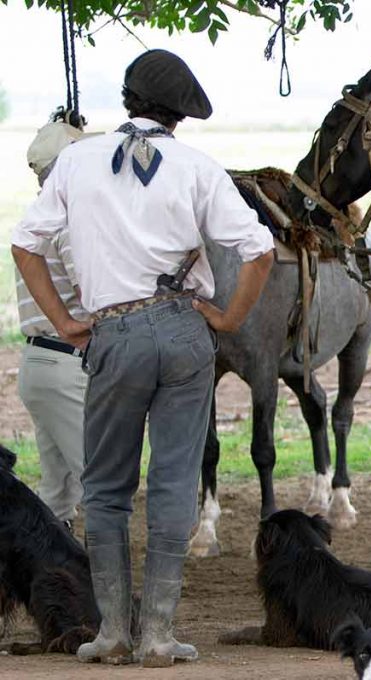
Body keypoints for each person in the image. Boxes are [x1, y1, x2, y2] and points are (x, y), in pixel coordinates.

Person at [11, 49, 275, 666]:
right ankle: (159, 633)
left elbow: (26, 245)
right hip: (185, 332)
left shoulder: (76, 161)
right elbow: (258, 251)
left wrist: (64, 322)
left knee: (104, 488)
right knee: (176, 480)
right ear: (181, 114)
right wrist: (228, 318)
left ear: (127, 100)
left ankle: (113, 634)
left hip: (115, 332)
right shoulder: (197, 167)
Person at [14, 115, 96, 530]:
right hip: (68, 365)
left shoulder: (36, 218)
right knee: (99, 483)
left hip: (38, 365)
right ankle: (106, 585)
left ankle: (48, 579)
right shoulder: (69, 220)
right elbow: (92, 292)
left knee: (56, 491)